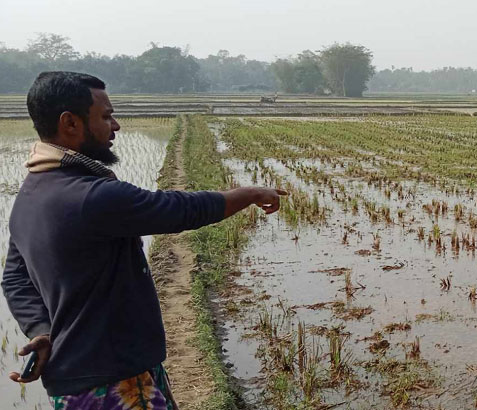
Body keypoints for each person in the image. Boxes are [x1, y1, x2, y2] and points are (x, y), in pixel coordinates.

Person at [1, 71, 286, 409]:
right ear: (70, 123)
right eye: (106, 117)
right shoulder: (93, 196)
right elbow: (180, 210)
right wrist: (250, 193)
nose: (116, 126)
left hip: (87, 375)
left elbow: (14, 277)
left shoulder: (32, 192)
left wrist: (40, 328)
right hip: (111, 381)